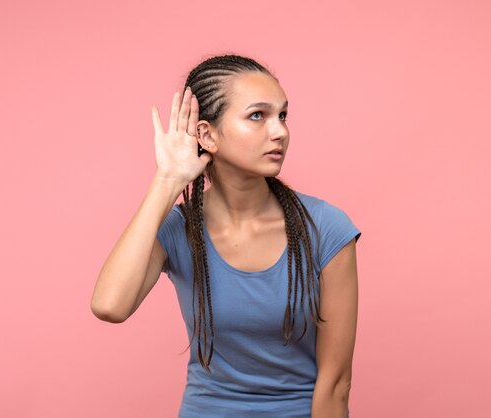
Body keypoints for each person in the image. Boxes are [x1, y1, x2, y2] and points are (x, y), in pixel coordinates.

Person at [91, 54, 361, 418]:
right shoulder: (179, 228)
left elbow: (336, 384)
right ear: (206, 134)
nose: (279, 130)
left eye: (282, 115)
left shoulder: (325, 228)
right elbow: (110, 305)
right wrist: (167, 181)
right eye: (257, 115)